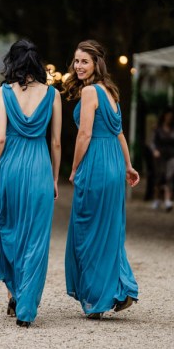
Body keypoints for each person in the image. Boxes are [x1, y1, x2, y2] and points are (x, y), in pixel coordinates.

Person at [63, 40, 140, 320]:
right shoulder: (112, 91)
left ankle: (97, 299)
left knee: (88, 232)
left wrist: (73, 169)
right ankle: (120, 289)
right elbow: (119, 133)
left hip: (96, 162)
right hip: (114, 164)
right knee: (109, 231)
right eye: (76, 61)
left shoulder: (90, 93)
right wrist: (128, 166)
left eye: (84, 61)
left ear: (96, 64)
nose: (78, 66)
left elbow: (84, 135)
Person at [0, 39, 62, 328]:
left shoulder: (3, 92)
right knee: (36, 237)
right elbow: (56, 142)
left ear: (13, 61)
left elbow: (0, 138)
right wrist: (54, 177)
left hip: (10, 167)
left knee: (9, 229)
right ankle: (27, 307)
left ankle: (14, 292)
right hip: (40, 167)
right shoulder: (53, 94)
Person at [150, 107, 174, 211]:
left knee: (169, 176)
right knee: (159, 177)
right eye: (167, 116)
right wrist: (154, 151)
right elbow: (152, 141)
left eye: (171, 116)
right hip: (160, 155)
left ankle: (167, 200)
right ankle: (157, 198)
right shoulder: (157, 128)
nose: (169, 118)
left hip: (173, 155)